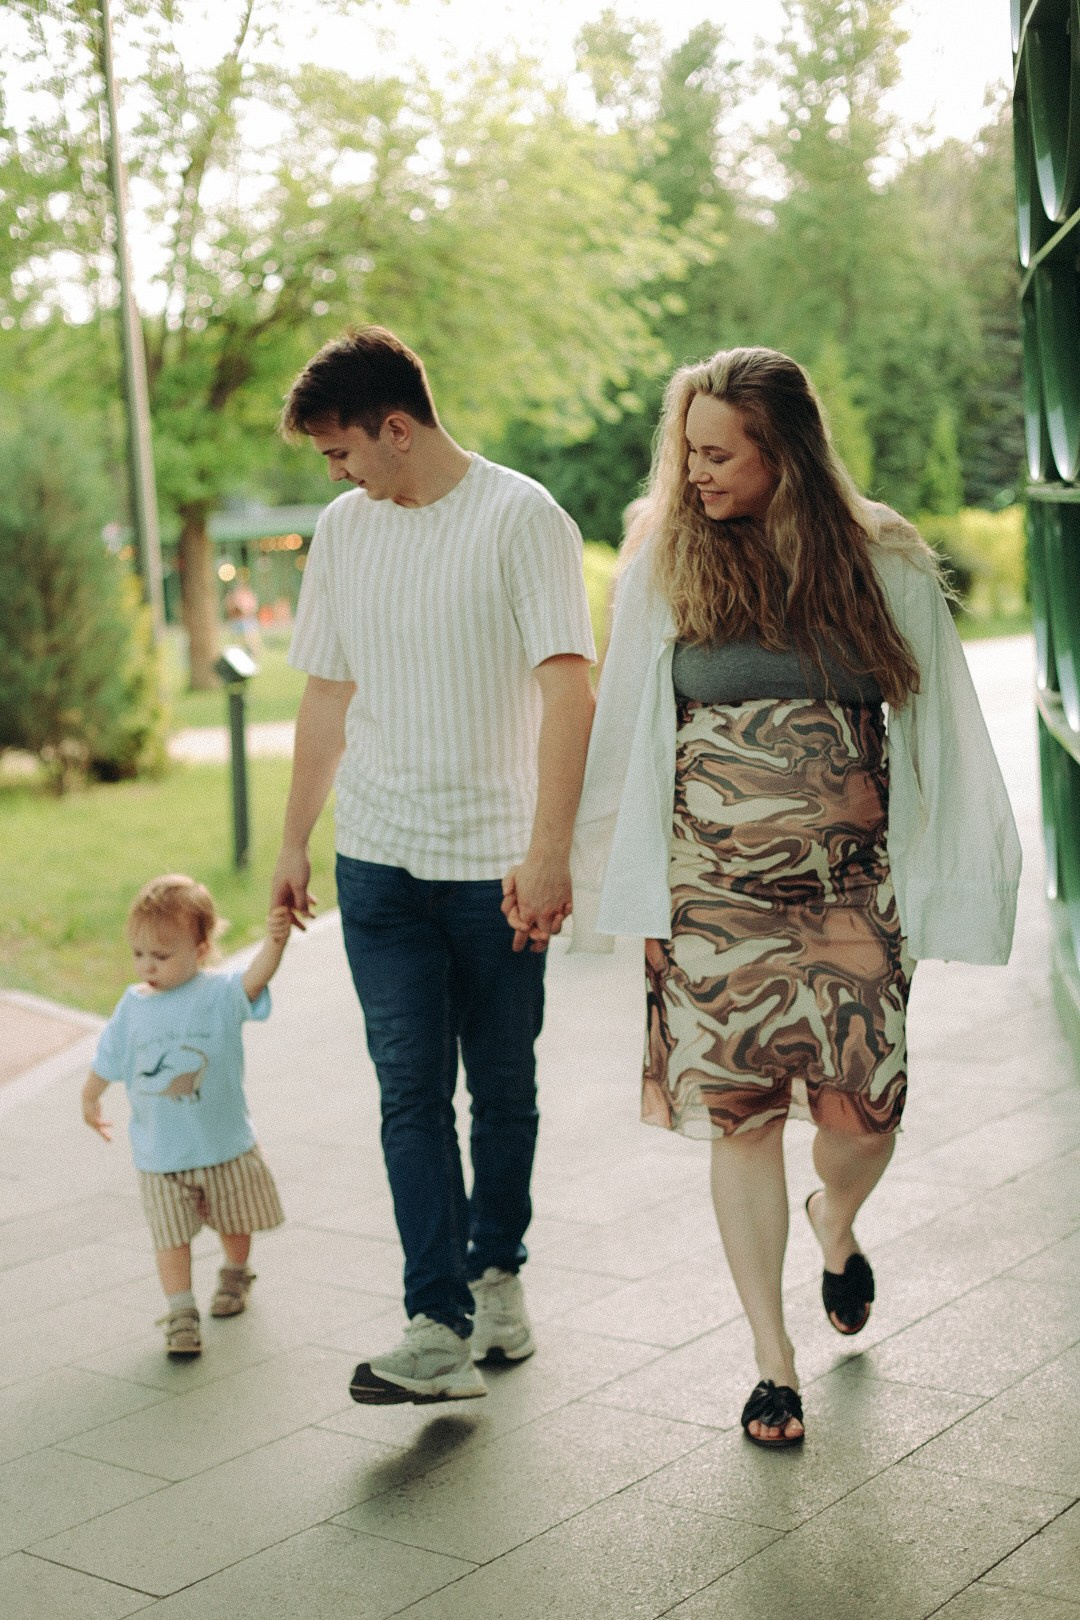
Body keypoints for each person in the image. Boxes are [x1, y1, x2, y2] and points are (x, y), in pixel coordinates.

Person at [571, 347, 1021, 1448]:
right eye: (689, 450)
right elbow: (626, 732)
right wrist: (593, 881)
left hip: (850, 901)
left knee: (864, 1120)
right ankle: (772, 1363)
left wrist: (949, 883)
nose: (697, 473)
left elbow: (946, 734)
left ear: (786, 456)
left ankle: (839, 1219)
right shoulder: (665, 566)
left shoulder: (884, 564)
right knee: (740, 1125)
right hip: (711, 905)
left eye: (721, 454)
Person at [272, 325, 596, 1405]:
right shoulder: (344, 532)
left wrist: (550, 852)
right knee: (410, 1095)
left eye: (342, 452)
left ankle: (497, 1271)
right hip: (377, 865)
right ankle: (436, 1321)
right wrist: (291, 842)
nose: (338, 473)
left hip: (495, 869)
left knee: (501, 1089)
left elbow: (568, 691)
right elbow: (326, 692)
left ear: (395, 427)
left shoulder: (523, 518)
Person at [81, 875, 289, 1358]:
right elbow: (109, 1055)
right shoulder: (132, 1006)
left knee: (235, 1222)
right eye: (139, 954)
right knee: (170, 1238)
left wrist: (275, 940)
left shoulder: (219, 994)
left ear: (201, 947)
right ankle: (180, 1312)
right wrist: (90, 1097)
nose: (146, 965)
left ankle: (236, 1273)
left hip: (223, 1145)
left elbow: (257, 976)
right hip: (160, 1155)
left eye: (161, 954)